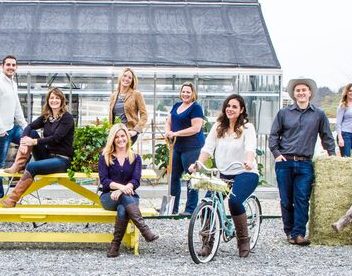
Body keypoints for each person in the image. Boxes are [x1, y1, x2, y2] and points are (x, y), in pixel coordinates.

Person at [189, 94, 260, 258]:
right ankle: (207, 242)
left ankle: (243, 240)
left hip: (245, 172)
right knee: (209, 201)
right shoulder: (218, 126)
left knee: (235, 201)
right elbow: (208, 148)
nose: (230, 109)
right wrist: (198, 164)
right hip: (223, 173)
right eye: (228, 106)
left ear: (241, 109)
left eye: (235, 106)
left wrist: (248, 161)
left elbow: (250, 147)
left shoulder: (247, 128)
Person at [269, 77, 336, 245]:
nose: (300, 93)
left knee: (301, 198)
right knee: (286, 199)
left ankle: (299, 234)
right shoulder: (284, 113)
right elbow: (273, 136)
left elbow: (327, 136)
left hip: (305, 162)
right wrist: (277, 153)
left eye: (303, 90)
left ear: (310, 93)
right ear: (293, 94)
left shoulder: (319, 114)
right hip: (285, 161)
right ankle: (289, 231)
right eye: (297, 90)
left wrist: (332, 155)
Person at [0, 87, 74, 208]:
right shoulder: (46, 116)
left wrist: (33, 141)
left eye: (57, 98)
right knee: (31, 132)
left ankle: (12, 199)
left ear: (62, 100)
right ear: (48, 100)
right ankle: (18, 165)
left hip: (62, 160)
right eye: (52, 98)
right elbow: (29, 127)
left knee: (32, 166)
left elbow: (56, 138)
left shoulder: (67, 118)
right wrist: (24, 142)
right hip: (47, 156)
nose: (54, 100)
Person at [99, 124, 159, 257]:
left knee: (123, 208)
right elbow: (104, 181)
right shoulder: (105, 156)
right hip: (109, 197)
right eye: (117, 137)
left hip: (129, 197)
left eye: (123, 136)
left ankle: (114, 247)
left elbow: (136, 180)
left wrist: (122, 191)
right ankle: (145, 230)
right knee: (124, 199)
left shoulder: (135, 157)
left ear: (127, 137)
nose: (120, 139)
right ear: (112, 139)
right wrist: (121, 187)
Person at [0, 55, 28, 199]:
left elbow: (16, 106)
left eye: (13, 65)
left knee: (32, 139)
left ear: (16, 67)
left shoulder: (12, 83)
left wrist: (25, 126)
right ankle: (0, 197)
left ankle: (20, 170)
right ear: (2, 66)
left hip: (12, 128)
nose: (11, 67)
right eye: (8, 65)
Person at [164, 82, 205, 215]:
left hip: (191, 147)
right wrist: (167, 132)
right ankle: (172, 208)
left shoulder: (196, 107)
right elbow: (168, 121)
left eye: (188, 92)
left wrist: (176, 133)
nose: (185, 94)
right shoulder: (177, 106)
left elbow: (196, 128)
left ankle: (190, 209)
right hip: (177, 146)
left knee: (191, 177)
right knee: (174, 177)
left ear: (193, 93)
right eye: (183, 91)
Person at [108, 67, 148, 145]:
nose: (126, 79)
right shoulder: (113, 96)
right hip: (116, 131)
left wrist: (135, 130)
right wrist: (110, 130)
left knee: (124, 154)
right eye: (125, 76)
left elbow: (144, 115)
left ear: (132, 81)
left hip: (129, 132)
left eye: (130, 78)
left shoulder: (136, 94)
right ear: (120, 77)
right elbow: (111, 116)